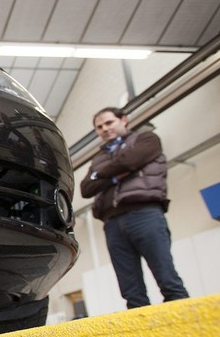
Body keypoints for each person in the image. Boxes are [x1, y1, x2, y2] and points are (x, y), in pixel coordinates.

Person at [80, 107, 189, 308]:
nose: (104, 129)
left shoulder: (146, 139)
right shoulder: (99, 157)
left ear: (124, 120)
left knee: (167, 279)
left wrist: (100, 175)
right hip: (112, 223)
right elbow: (86, 188)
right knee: (131, 291)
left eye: (109, 123)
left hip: (145, 214)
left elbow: (130, 160)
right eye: (99, 127)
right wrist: (114, 174)